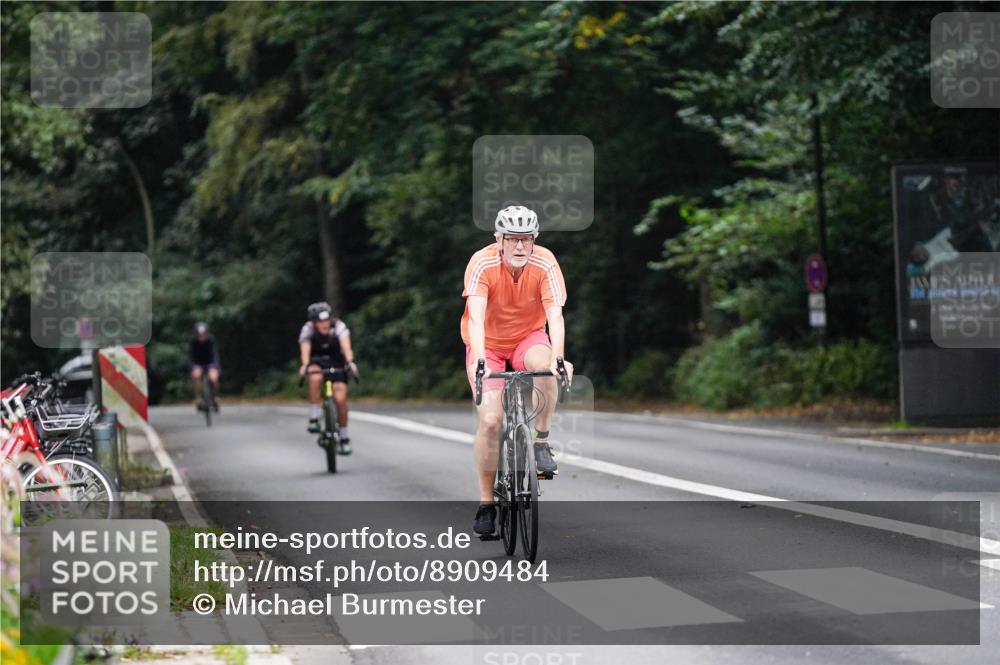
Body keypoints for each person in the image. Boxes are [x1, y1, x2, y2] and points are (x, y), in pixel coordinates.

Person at [461, 205, 574, 536]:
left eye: (527, 239)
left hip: (528, 338)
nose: (520, 246)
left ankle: (541, 440)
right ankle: (486, 503)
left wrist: (559, 356)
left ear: (535, 239)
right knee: (492, 422)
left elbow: (555, 316)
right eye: (512, 239)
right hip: (488, 346)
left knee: (547, 366)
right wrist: (481, 360)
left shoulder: (545, 262)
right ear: (499, 239)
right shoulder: (482, 263)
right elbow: (477, 317)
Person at [298, 302, 358, 454]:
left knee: (341, 400)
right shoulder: (308, 330)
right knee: (315, 377)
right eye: (319, 321)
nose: (324, 324)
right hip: (317, 361)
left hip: (336, 362)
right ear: (314, 322)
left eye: (326, 320)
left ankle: (344, 438)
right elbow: (305, 349)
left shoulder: (339, 327)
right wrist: (305, 365)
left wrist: (350, 362)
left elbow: (346, 347)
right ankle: (314, 417)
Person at [189, 322, 220, 411]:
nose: (201, 337)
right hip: (198, 363)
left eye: (203, 335)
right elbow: (191, 356)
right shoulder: (193, 342)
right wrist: (192, 368)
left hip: (210, 362)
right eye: (199, 335)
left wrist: (216, 367)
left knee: (214, 378)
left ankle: (215, 397)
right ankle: (198, 398)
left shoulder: (211, 340)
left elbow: (215, 354)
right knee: (196, 376)